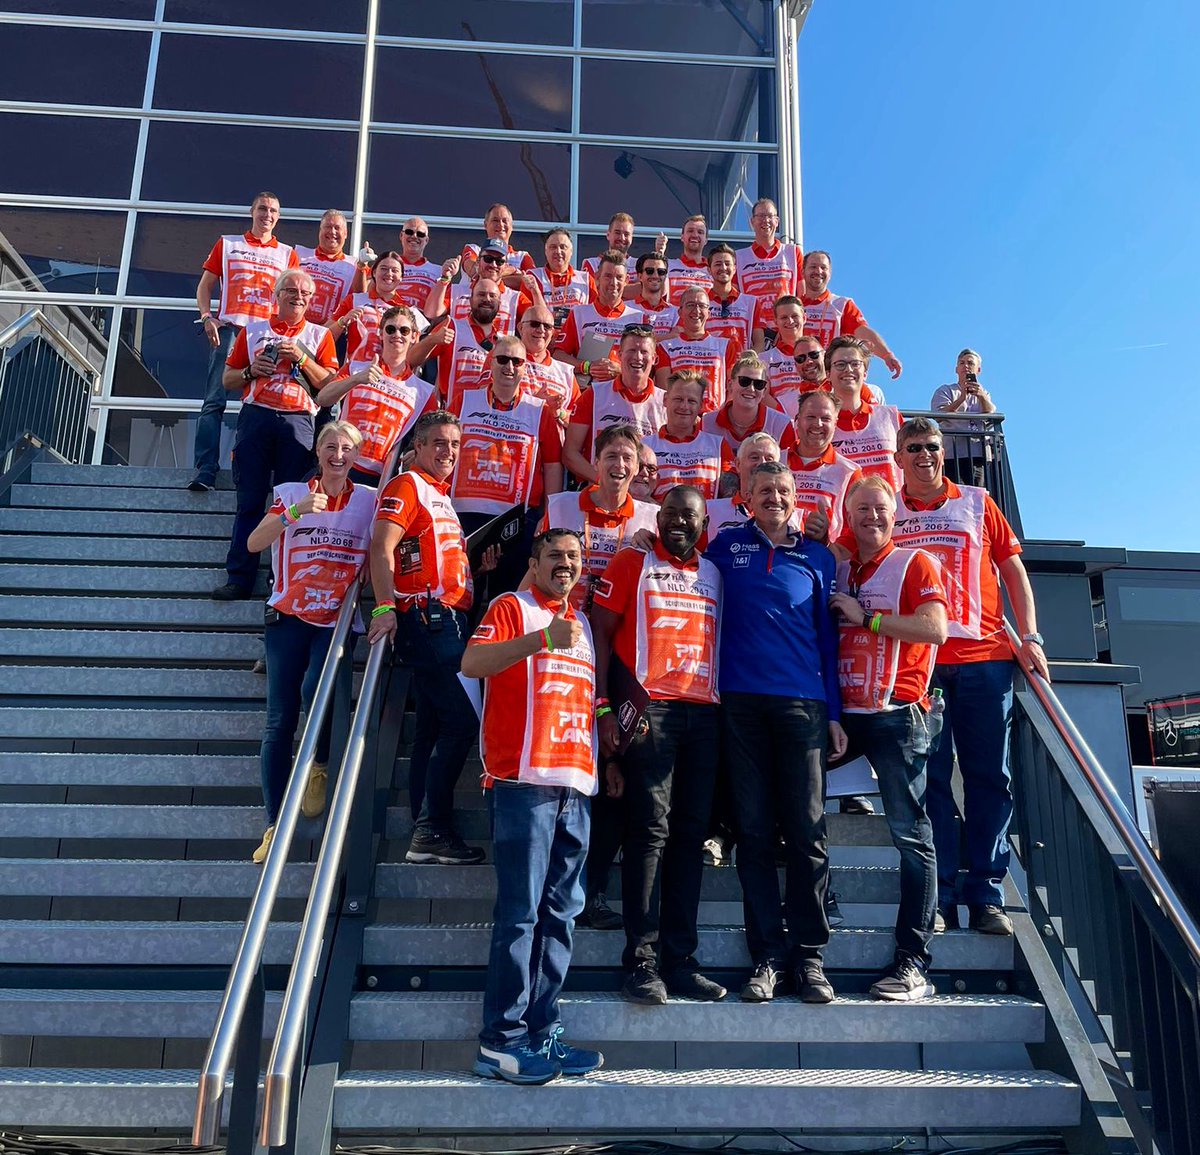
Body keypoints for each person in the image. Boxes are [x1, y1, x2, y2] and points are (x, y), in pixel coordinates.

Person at [888, 417, 1049, 935]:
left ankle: (986, 894)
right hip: (920, 667)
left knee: (989, 779)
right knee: (930, 783)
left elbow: (1013, 569)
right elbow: (852, 552)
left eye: (932, 446)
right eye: (913, 447)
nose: (924, 455)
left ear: (943, 452)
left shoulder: (977, 500)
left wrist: (1031, 637)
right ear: (898, 456)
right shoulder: (887, 507)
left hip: (985, 661)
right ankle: (940, 895)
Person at [462, 528, 603, 1085]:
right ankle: (501, 1041)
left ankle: (543, 1031)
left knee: (560, 917)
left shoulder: (583, 622)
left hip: (574, 782)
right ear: (535, 562)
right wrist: (541, 640)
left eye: (573, 557)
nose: (564, 565)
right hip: (522, 780)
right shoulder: (512, 606)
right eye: (554, 557)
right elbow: (473, 663)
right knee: (520, 916)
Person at [706, 460, 846, 1004]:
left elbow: (828, 641)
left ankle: (809, 958)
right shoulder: (724, 548)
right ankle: (766, 956)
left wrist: (834, 712)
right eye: (764, 490)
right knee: (756, 835)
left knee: (808, 835)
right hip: (740, 706)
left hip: (803, 707)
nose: (774, 498)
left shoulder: (816, 556)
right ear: (746, 495)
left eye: (783, 491)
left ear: (795, 497)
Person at [591, 486, 726, 1004]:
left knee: (690, 836)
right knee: (649, 832)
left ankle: (682, 961)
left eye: (687, 516)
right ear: (657, 517)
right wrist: (604, 709)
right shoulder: (632, 560)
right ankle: (641, 962)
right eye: (669, 513)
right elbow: (601, 634)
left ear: (702, 522)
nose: (676, 523)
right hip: (650, 713)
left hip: (705, 714)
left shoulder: (715, 573)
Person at [828, 475, 949, 999]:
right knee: (792, 796)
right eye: (861, 511)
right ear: (847, 518)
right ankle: (820, 901)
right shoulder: (842, 567)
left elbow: (935, 629)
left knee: (910, 835)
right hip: (847, 715)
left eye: (879, 509)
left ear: (894, 514)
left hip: (900, 714)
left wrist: (869, 619)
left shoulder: (914, 562)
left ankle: (914, 962)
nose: (871, 518)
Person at [244, 421, 376, 862]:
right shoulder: (289, 493)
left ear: (357, 457)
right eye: (331, 447)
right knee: (279, 721)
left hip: (334, 622)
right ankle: (273, 824)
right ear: (318, 453)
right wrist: (294, 514)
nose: (339, 455)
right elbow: (253, 543)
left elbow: (378, 558)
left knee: (313, 691)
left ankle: (319, 762)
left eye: (347, 449)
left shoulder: (370, 502)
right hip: (287, 618)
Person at [368, 411, 485, 866]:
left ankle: (424, 825)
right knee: (462, 722)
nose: (448, 452)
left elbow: (424, 552)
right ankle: (431, 828)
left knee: (433, 729)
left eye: (455, 444)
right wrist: (383, 607)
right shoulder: (408, 485)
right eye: (438, 442)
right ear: (416, 447)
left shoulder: (439, 495)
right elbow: (381, 545)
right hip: (426, 617)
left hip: (443, 614)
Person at [212, 269, 339, 601]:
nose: (299, 297)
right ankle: (239, 578)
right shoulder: (252, 331)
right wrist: (251, 371)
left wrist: (301, 358)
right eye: (292, 290)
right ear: (277, 293)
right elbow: (227, 380)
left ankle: (282, 580)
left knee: (292, 504)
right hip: (256, 418)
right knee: (250, 501)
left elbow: (329, 385)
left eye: (305, 294)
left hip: (299, 422)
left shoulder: (320, 335)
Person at [189, 191, 299, 492]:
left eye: (274, 210)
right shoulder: (228, 244)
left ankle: (254, 471)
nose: (268, 214)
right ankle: (205, 470)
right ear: (252, 211)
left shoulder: (287, 254)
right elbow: (205, 286)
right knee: (214, 401)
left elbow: (293, 298)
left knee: (263, 405)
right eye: (263, 208)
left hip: (267, 336)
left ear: (279, 217)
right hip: (231, 331)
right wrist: (206, 316)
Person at [451, 334, 563, 593]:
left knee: (507, 597)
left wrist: (548, 516)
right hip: (467, 515)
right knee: (462, 594)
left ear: (525, 367)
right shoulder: (464, 400)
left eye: (516, 361)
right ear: (490, 363)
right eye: (502, 359)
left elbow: (553, 466)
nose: (509, 367)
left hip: (517, 520)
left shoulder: (539, 411)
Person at [541, 424, 658, 615]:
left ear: (636, 468)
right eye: (611, 456)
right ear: (596, 462)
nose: (619, 464)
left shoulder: (652, 517)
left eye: (627, 458)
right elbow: (538, 570)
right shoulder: (560, 506)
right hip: (563, 620)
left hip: (620, 625)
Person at [315, 305, 436, 482]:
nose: (397, 335)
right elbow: (323, 398)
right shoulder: (357, 367)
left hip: (380, 477)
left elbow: (430, 434)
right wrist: (356, 380)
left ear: (414, 336)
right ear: (381, 333)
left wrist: (414, 452)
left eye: (404, 330)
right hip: (341, 465)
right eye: (390, 329)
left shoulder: (422, 391)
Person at [562, 324, 666, 481]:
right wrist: (606, 483)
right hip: (599, 491)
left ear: (654, 358)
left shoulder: (666, 402)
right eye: (631, 350)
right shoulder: (594, 394)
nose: (637, 357)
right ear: (620, 354)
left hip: (645, 495)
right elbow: (570, 454)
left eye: (644, 352)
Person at [800, 250, 902, 378]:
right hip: (799, 375)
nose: (818, 271)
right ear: (803, 272)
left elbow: (863, 332)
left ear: (830, 274)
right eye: (813, 267)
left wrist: (887, 355)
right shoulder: (794, 305)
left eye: (823, 267)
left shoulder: (841, 304)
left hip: (830, 378)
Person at [787, 389, 862, 545]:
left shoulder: (849, 472)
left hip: (820, 563)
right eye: (811, 417)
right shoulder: (774, 461)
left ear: (835, 424)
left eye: (825, 418)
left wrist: (825, 541)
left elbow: (854, 534)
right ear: (797, 420)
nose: (818, 424)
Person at [827, 336, 903, 490]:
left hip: (890, 512)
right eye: (840, 364)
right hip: (842, 513)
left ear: (865, 373)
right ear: (828, 374)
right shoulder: (819, 424)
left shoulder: (891, 417)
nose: (848, 369)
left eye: (855, 364)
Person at [643, 370, 732, 500]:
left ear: (701, 404)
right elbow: (637, 496)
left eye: (691, 401)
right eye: (678, 399)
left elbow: (730, 497)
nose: (684, 406)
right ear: (665, 400)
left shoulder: (718, 446)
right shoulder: (645, 446)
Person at [553, 250, 641, 381]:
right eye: (608, 276)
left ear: (626, 280)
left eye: (619, 277)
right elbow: (558, 355)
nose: (613, 283)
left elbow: (647, 366)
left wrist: (620, 370)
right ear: (597, 278)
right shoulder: (579, 313)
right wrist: (587, 366)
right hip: (587, 391)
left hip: (623, 393)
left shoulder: (638, 318)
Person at [654, 286, 740, 413]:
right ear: (680, 312)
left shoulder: (726, 346)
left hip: (715, 419)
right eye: (690, 305)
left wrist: (720, 417)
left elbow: (733, 389)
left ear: (709, 313)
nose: (697, 310)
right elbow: (665, 390)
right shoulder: (665, 347)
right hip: (681, 416)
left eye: (702, 306)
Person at [701, 350, 796, 457]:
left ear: (764, 391)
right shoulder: (706, 423)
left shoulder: (781, 425)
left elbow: (785, 471)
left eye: (758, 384)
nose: (751, 388)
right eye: (744, 381)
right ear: (730, 385)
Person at [429, 277, 504, 411]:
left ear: (499, 303)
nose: (487, 299)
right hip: (451, 417)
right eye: (481, 294)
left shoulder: (504, 342)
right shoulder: (451, 326)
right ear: (470, 300)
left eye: (492, 296)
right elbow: (413, 359)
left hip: (484, 420)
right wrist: (432, 339)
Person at [930, 348, 996, 486]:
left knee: (977, 495)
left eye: (970, 363)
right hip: (952, 455)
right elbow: (938, 415)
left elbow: (991, 415)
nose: (965, 366)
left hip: (978, 455)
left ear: (978, 370)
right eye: (961, 363)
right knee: (956, 496)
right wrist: (961, 398)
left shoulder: (984, 393)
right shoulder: (945, 390)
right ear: (956, 369)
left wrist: (982, 397)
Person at [327, 250, 407, 363]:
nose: (389, 273)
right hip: (354, 372)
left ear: (401, 277)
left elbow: (412, 352)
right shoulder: (354, 300)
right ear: (374, 272)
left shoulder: (408, 310)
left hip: (389, 376)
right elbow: (324, 337)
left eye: (395, 271)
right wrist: (342, 322)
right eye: (384, 268)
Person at [734, 198, 801, 310]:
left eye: (770, 216)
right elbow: (735, 298)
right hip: (753, 326)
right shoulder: (738, 257)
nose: (766, 220)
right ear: (752, 221)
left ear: (777, 221)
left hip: (785, 324)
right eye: (760, 216)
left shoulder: (793, 253)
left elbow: (802, 295)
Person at [764, 304, 827, 422]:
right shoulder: (763, 357)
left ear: (804, 318)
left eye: (794, 316)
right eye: (784, 317)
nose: (790, 321)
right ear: (775, 321)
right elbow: (763, 395)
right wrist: (786, 416)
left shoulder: (822, 355)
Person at [294, 210, 357, 328]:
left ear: (346, 233)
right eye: (328, 226)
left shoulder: (354, 265)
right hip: (295, 329)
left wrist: (363, 267)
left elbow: (360, 297)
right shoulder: (298, 254)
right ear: (320, 230)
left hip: (331, 334)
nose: (332, 231)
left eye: (337, 228)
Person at [518, 305, 579, 425]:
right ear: (520, 328)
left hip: (552, 441)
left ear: (552, 333)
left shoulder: (566, 372)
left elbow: (579, 420)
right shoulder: (504, 359)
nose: (541, 330)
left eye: (547, 327)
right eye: (534, 324)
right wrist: (535, 403)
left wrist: (558, 412)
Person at [528, 228, 594, 332]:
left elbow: (594, 317)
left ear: (571, 251)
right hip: (545, 340)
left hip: (577, 340)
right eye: (553, 247)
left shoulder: (586, 279)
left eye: (563, 247)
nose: (558, 252)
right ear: (546, 251)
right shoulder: (533, 277)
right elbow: (528, 318)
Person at [706, 243, 766, 354]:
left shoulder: (751, 303)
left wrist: (746, 362)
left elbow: (759, 344)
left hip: (741, 368)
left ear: (734, 269)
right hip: (711, 366)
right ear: (709, 270)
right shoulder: (701, 302)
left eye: (727, 264)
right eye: (718, 264)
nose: (723, 268)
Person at [459, 202, 535, 281]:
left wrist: (489, 273)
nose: (501, 224)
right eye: (495, 220)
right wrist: (513, 270)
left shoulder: (522, 257)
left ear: (512, 226)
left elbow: (532, 283)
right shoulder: (474, 249)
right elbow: (474, 272)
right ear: (485, 225)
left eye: (505, 221)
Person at [394, 217, 443, 314]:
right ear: (401, 235)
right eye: (409, 232)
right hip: (389, 325)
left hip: (422, 327)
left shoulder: (439, 271)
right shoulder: (386, 266)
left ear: (426, 240)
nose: (414, 236)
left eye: (420, 234)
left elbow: (441, 310)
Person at [666, 215, 714, 305]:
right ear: (682, 237)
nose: (695, 235)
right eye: (690, 231)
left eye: (700, 232)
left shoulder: (714, 270)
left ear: (706, 240)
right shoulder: (668, 266)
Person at [630, 252, 679, 338]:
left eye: (661, 272)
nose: (655, 275)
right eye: (650, 271)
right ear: (640, 276)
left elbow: (677, 341)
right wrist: (668, 336)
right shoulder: (626, 309)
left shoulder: (676, 313)